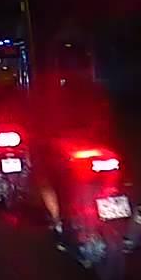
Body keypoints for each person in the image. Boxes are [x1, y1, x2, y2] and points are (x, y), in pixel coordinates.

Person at [30, 49, 114, 248]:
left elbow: (46, 121)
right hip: (98, 147)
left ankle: (58, 221)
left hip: (74, 148)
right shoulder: (96, 91)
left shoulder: (58, 94)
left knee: (44, 178)